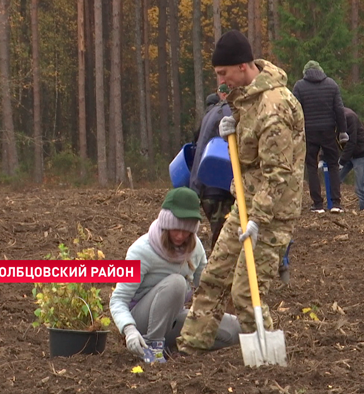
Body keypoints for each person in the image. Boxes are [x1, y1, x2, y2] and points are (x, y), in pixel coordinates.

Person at [177, 30, 305, 351]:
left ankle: (263, 357)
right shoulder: (247, 97)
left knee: (246, 294)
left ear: (244, 67)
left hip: (271, 213)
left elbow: (277, 174)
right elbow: (250, 157)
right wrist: (232, 120)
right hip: (245, 205)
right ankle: (192, 345)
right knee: (213, 278)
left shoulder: (273, 107)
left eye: (224, 74)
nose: (221, 81)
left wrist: (258, 220)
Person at [110, 187, 242, 363]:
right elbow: (118, 300)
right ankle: (153, 347)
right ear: (165, 224)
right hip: (142, 323)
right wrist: (129, 330)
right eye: (175, 229)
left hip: (172, 319)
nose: (180, 236)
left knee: (234, 330)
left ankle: (173, 348)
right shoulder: (141, 251)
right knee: (176, 283)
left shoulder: (195, 249)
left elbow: (207, 287)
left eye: (186, 230)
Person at [293, 60, 347, 213]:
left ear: (305, 72)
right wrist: (342, 131)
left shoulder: (299, 86)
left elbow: (294, 111)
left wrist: (295, 132)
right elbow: (339, 109)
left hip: (308, 131)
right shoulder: (331, 84)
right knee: (333, 165)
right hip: (328, 130)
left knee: (311, 166)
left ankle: (317, 204)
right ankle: (336, 203)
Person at [190, 84, 236, 250]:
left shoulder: (212, 113)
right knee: (224, 245)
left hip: (205, 188)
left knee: (224, 240)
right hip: (220, 190)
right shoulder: (228, 113)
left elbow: (195, 145)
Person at [339, 107, 364, 210]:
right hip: (348, 154)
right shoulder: (332, 119)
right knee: (335, 179)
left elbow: (351, 142)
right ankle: (334, 205)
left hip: (361, 153)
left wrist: (342, 161)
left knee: (360, 187)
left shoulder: (349, 117)